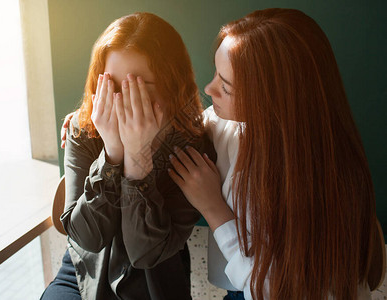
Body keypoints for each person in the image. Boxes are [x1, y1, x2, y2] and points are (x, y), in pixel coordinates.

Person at [168, 8, 376, 300]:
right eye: (217, 73)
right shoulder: (227, 125)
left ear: (271, 101)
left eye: (225, 87)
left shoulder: (321, 180)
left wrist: (212, 207)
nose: (208, 88)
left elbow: (274, 291)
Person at [41, 12, 215, 300]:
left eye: (137, 87)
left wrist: (138, 158)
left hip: (155, 282)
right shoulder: (83, 129)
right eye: (113, 86)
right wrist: (111, 154)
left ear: (171, 85)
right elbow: (87, 238)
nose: (121, 100)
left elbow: (146, 253)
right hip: (84, 274)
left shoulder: (192, 146)